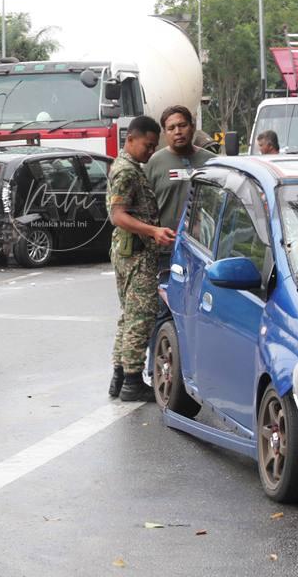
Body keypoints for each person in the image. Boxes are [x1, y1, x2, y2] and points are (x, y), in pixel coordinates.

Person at [107, 115, 175, 402]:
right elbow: (118, 215)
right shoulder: (126, 171)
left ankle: (120, 376)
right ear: (130, 139)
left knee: (128, 316)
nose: (150, 151)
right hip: (136, 252)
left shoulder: (129, 167)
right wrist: (153, 231)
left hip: (128, 249)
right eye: (147, 146)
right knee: (140, 316)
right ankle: (133, 381)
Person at [145, 105, 214, 234]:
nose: (178, 131)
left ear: (192, 127)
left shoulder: (212, 161)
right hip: (166, 247)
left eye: (182, 125)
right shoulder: (154, 162)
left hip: (203, 248)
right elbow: (143, 207)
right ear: (164, 133)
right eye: (171, 128)